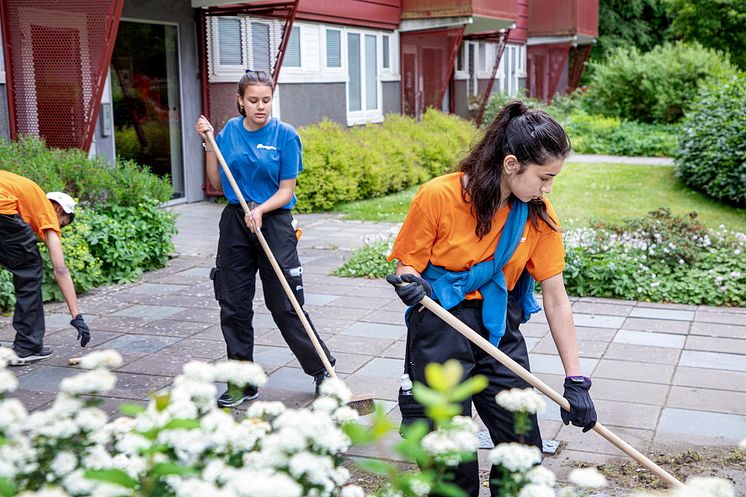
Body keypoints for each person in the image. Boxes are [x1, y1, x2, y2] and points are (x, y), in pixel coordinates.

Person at [386, 101, 597, 497]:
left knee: (523, 451)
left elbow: (555, 298)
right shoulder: (438, 196)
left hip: (499, 327)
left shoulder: (537, 213)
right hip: (440, 323)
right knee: (451, 462)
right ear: (512, 164)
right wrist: (410, 285)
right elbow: (406, 266)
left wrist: (576, 379)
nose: (548, 189)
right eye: (545, 177)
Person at [194, 69, 335, 408]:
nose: (261, 107)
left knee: (285, 303)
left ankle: (322, 372)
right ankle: (242, 380)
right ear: (240, 101)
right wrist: (209, 144)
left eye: (267, 100)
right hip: (235, 222)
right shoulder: (229, 132)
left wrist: (261, 210)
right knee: (233, 303)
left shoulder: (285, 135)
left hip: (274, 221)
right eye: (254, 100)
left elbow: (287, 190)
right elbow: (216, 181)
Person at [0, 171, 91, 365]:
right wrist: (77, 316)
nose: (59, 229)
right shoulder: (47, 212)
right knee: (29, 270)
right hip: (2, 210)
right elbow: (61, 270)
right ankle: (28, 347)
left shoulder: (27, 193)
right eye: (63, 224)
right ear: (58, 209)